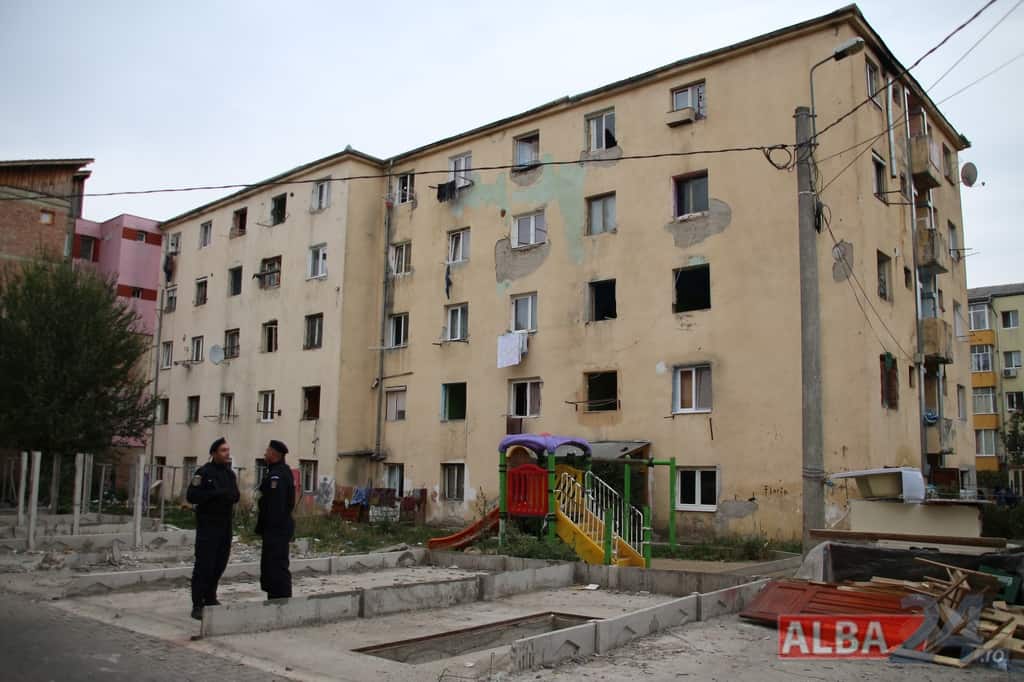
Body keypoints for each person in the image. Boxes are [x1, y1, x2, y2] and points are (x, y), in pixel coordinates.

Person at [186, 437, 239, 620]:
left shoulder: (229, 474)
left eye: (228, 450)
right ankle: (197, 603)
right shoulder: (203, 472)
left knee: (219, 563)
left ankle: (210, 597)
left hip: (225, 526)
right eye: (223, 450)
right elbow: (192, 495)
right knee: (204, 565)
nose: (227, 454)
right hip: (208, 526)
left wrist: (228, 495)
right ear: (214, 453)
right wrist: (215, 494)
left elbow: (236, 495)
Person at [256, 439, 295, 599]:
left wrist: (271, 529)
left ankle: (281, 600)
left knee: (276, 566)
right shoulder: (277, 471)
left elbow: (276, 506)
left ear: (274, 454)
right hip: (275, 529)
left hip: (276, 530)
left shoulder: (277, 476)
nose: (265, 453)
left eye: (267, 451)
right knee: (271, 566)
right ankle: (275, 597)